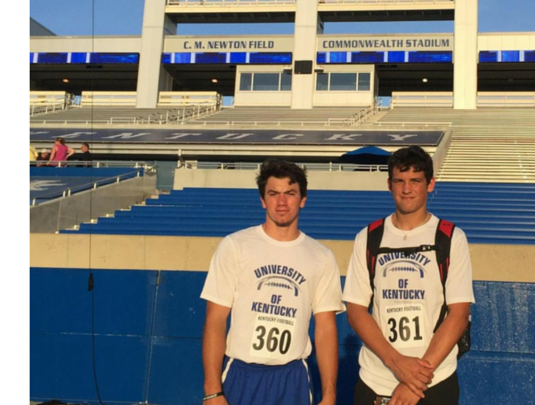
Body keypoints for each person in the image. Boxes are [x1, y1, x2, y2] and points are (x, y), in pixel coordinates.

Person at [200, 159, 344, 405]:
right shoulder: (235, 246)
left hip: (293, 378)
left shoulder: (321, 256)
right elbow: (215, 320)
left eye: (290, 193)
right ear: (263, 200)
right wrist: (213, 391)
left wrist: (329, 394)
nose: (281, 202)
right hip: (241, 375)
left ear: (303, 199)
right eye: (273, 194)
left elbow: (326, 329)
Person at [343, 146, 474, 405]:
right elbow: (356, 311)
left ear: (430, 184)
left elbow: (458, 314)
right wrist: (397, 363)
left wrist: (416, 381)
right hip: (377, 379)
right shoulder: (369, 237)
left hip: (434, 379)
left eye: (415, 181)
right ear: (388, 185)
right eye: (399, 181)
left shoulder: (450, 237)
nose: (406, 189)